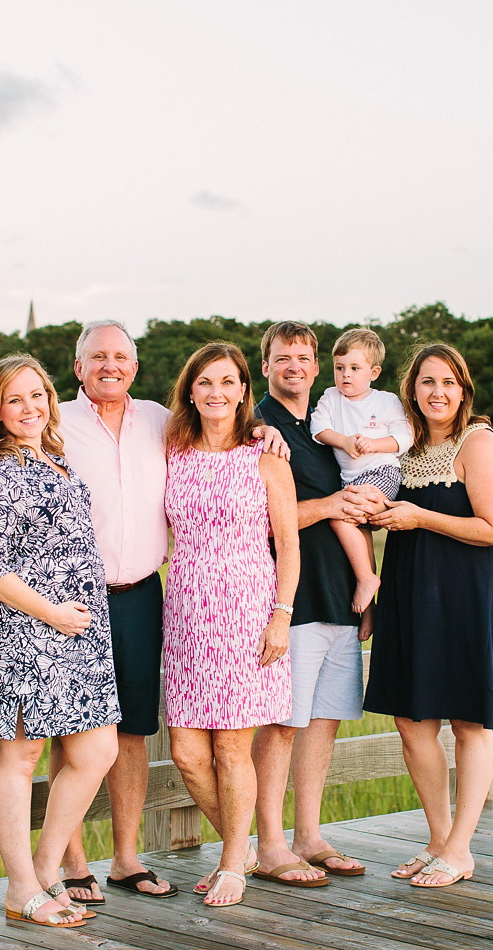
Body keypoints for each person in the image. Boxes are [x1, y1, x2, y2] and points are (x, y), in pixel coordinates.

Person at [0, 355, 121, 928]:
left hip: (78, 633)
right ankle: (21, 887)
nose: (30, 408)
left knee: (96, 752)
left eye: (37, 395)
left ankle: (46, 867)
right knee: (20, 754)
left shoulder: (54, 460)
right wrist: (52, 614)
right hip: (27, 628)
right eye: (14, 400)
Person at [364, 343, 493, 888]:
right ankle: (436, 838)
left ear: (463, 390)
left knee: (469, 720)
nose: (438, 393)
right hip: (411, 591)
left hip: (471, 594)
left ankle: (460, 849)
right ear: (412, 391)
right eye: (427, 382)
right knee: (412, 718)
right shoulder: (400, 449)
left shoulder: (477, 442)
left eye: (449, 383)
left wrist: (418, 516)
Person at [163, 342, 300, 907]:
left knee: (231, 751)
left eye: (228, 382)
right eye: (205, 383)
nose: (216, 393)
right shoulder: (172, 449)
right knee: (187, 753)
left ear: (245, 389)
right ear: (190, 391)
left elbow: (289, 546)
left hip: (247, 613)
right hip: (186, 614)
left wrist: (282, 616)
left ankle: (231, 867)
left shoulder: (266, 458)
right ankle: (241, 847)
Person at [46, 319, 176, 902]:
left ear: (135, 366)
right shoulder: (55, 423)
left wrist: (265, 433)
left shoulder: (160, 419)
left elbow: (224, 432)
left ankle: (126, 857)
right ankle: (72, 861)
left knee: (133, 731)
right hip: (73, 602)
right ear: (78, 368)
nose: (109, 366)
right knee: (71, 731)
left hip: (143, 595)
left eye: (120, 356)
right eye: (97, 356)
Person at [251, 321, 382, 888]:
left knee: (323, 720)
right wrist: (329, 503)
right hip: (291, 600)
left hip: (340, 596)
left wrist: (368, 582)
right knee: (282, 724)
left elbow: (361, 498)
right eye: (283, 358)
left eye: (304, 357)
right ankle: (269, 845)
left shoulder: (331, 415)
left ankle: (308, 834)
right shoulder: (258, 426)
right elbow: (260, 521)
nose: (295, 367)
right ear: (266, 366)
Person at [310, 327, 411, 613]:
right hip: (352, 477)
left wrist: (374, 444)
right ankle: (369, 605)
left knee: (340, 516)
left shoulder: (385, 401)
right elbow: (318, 428)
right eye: (339, 367)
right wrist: (343, 441)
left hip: (382, 471)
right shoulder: (331, 397)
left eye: (355, 368)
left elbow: (404, 438)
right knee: (360, 532)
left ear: (374, 372)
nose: (346, 375)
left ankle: (366, 579)